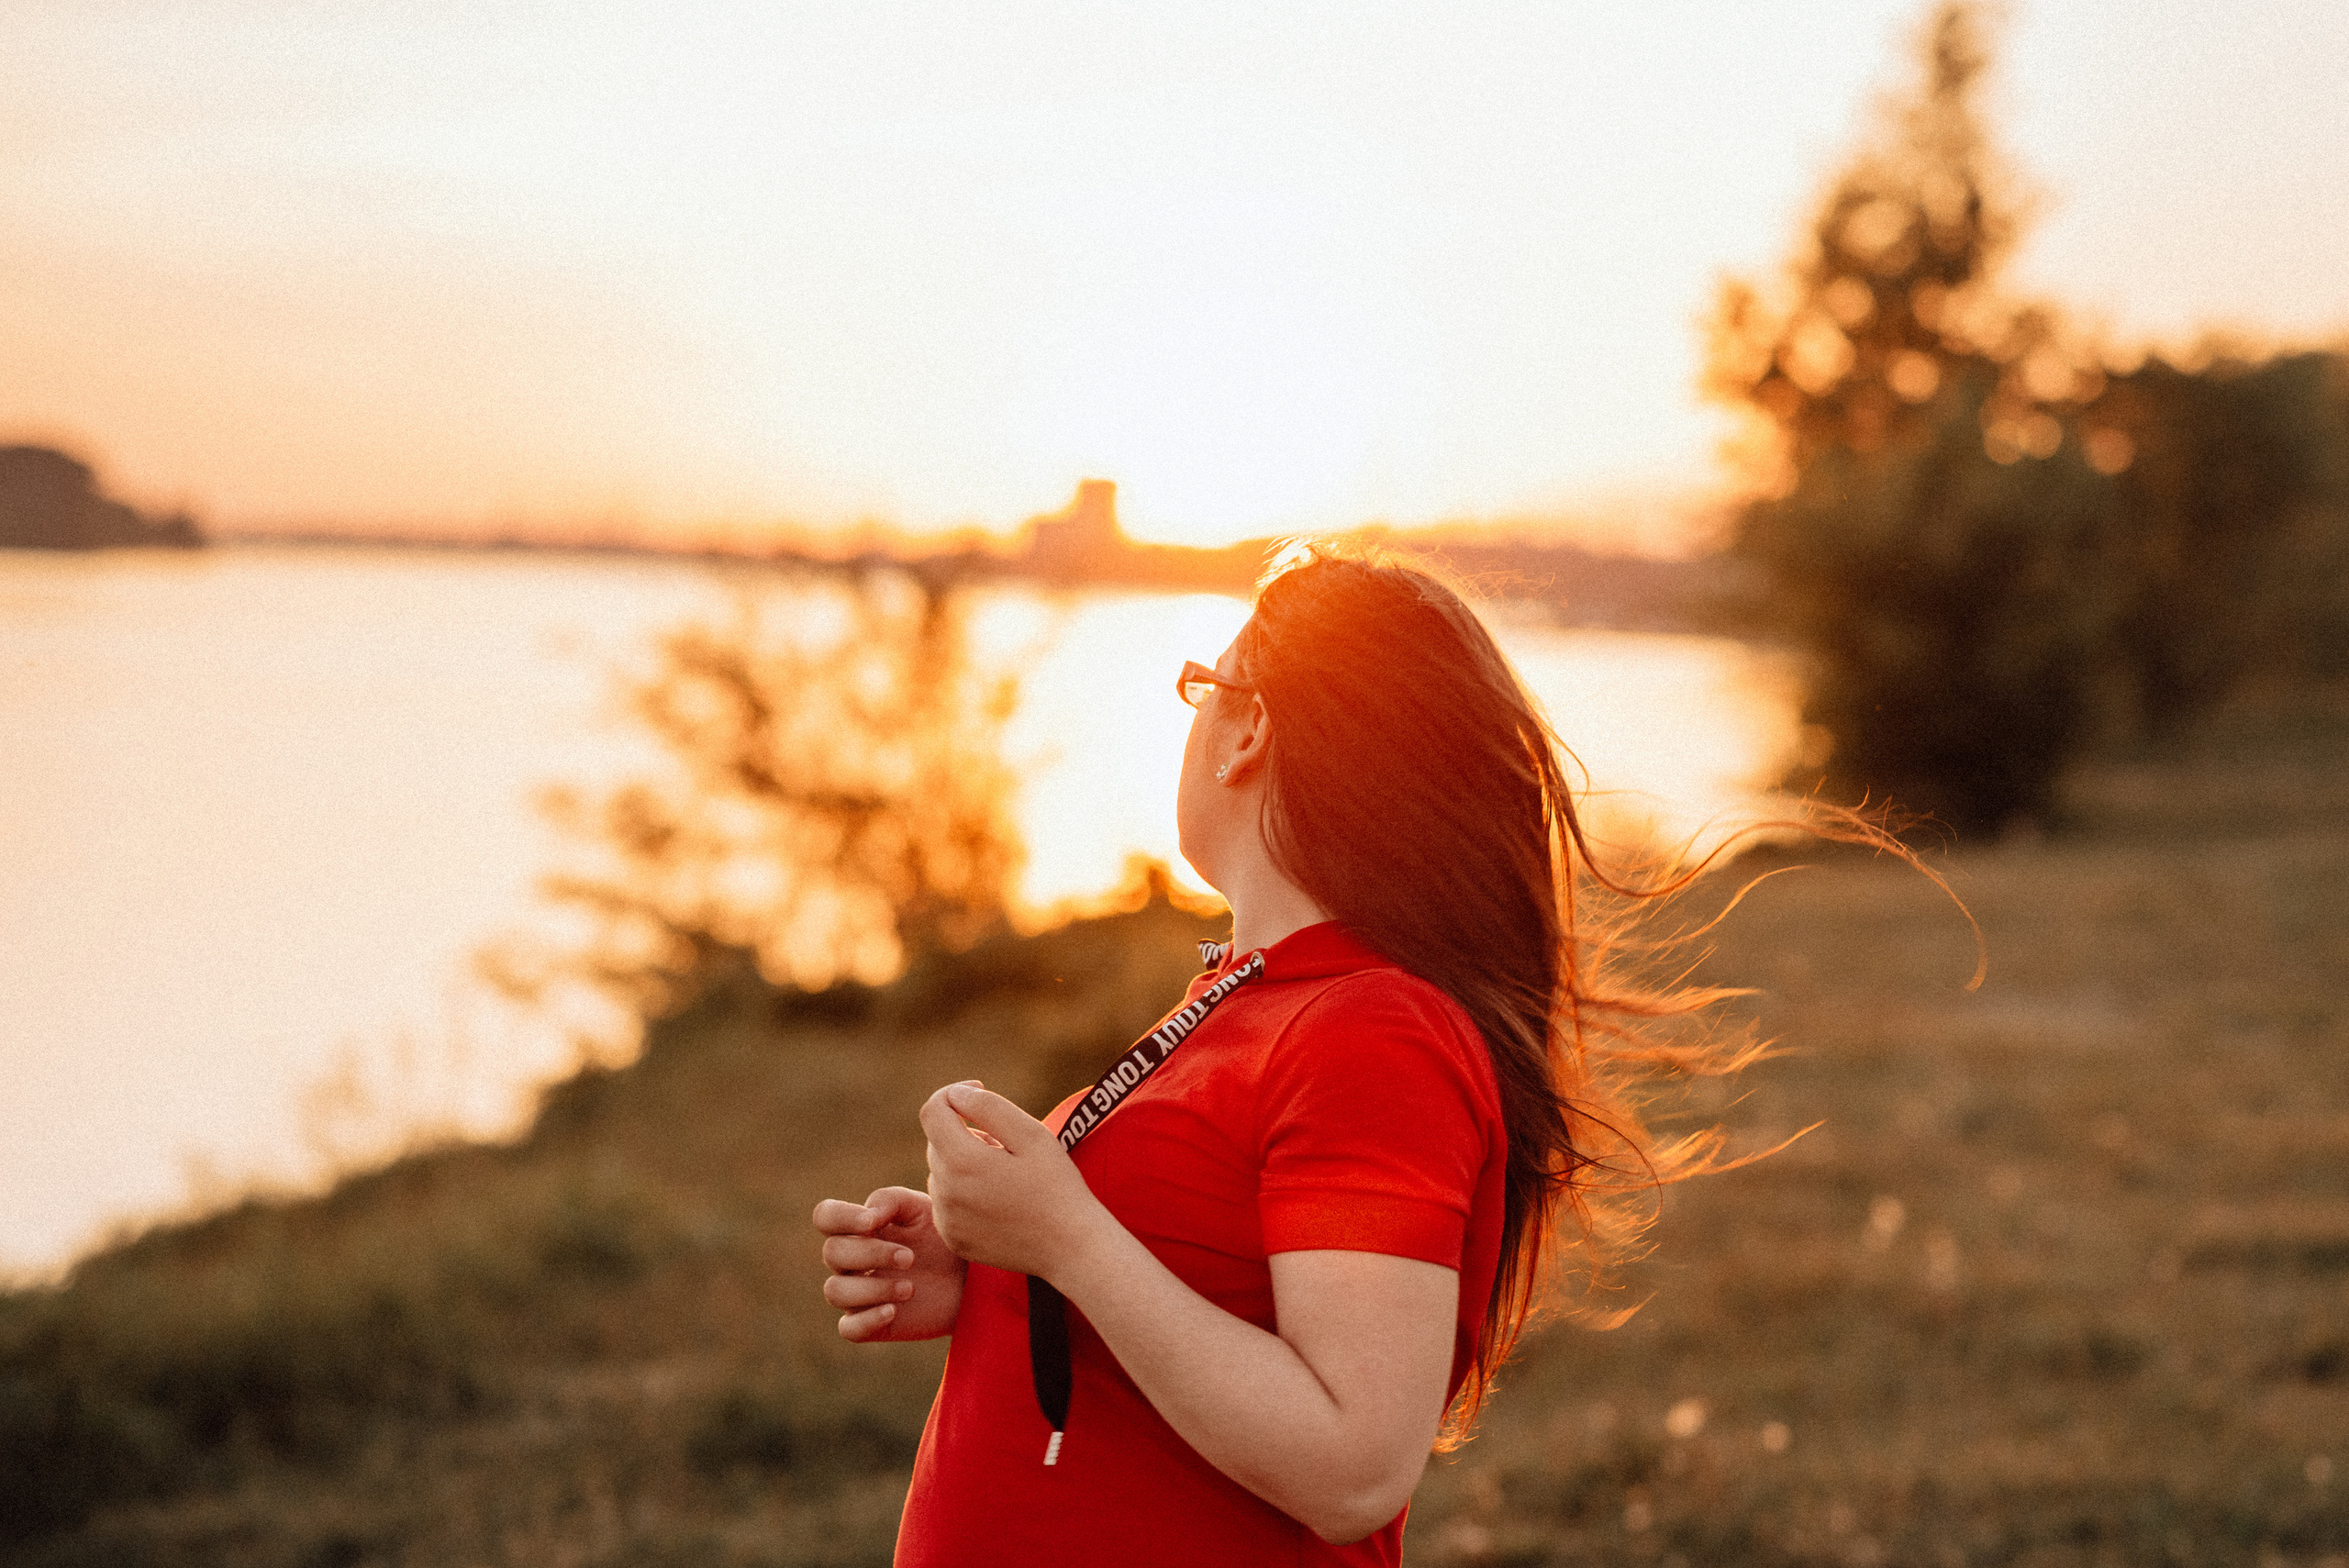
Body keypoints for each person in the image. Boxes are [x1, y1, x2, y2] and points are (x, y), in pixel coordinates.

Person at [812, 542, 1750, 1565]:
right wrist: (992, 1277)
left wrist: (1067, 1239)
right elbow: (1201, 1290)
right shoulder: (1257, 997)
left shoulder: (1371, 1031)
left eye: (1200, 688)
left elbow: (1352, 1461)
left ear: (1249, 725)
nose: (1193, 718)